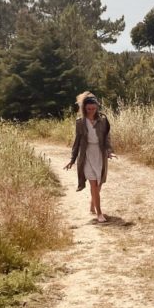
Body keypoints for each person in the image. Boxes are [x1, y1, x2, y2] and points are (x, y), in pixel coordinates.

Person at [64, 91, 115, 222]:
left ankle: (93, 205)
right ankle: (99, 214)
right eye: (88, 109)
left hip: (99, 154)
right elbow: (77, 141)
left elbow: (107, 138)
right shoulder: (80, 122)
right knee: (94, 184)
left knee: (99, 183)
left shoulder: (103, 120)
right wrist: (72, 159)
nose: (91, 111)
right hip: (86, 155)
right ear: (84, 109)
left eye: (93, 108)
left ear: (97, 107)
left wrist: (109, 151)